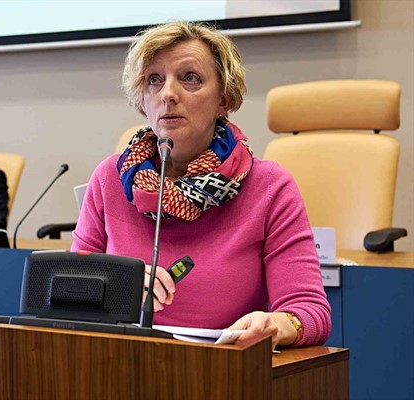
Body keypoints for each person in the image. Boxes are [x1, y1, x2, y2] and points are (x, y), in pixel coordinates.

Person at [71, 22, 331, 348]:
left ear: (224, 99)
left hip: (221, 366)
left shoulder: (270, 187)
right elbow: (68, 293)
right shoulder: (110, 178)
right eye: (154, 80)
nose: (167, 94)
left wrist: (277, 324)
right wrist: (119, 286)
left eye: (190, 78)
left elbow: (310, 312)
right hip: (121, 362)